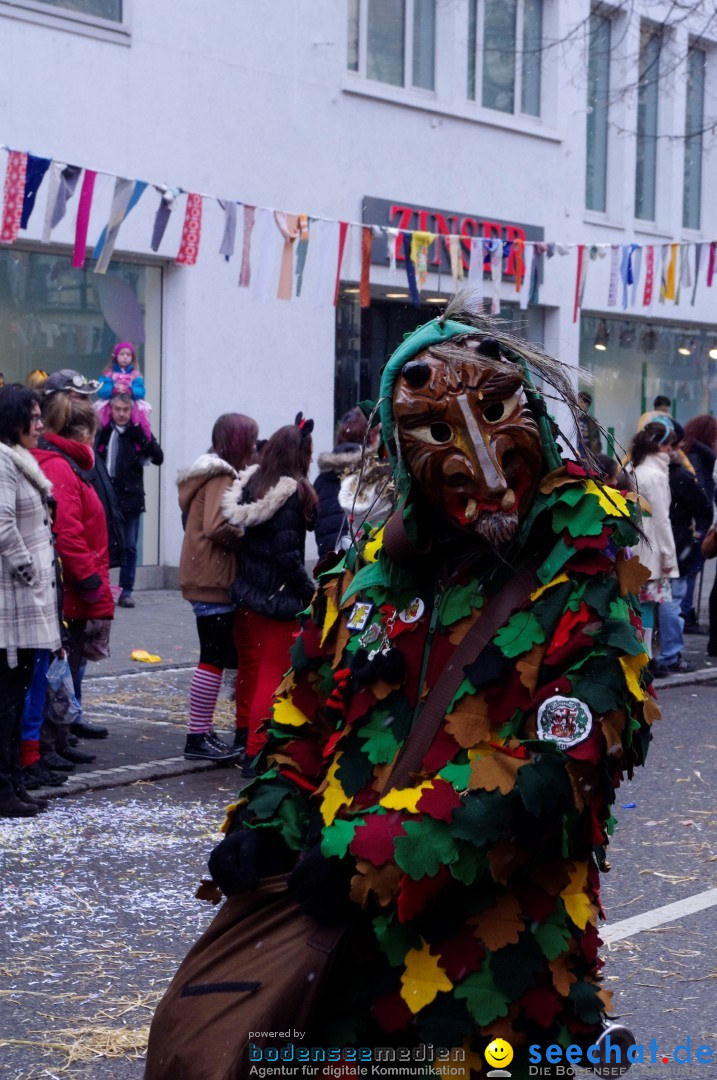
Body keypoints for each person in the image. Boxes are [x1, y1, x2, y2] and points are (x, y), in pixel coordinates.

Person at [152, 308, 656, 1076]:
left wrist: (367, 854)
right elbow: (302, 714)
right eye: (441, 433)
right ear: (396, 448)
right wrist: (268, 819)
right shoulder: (359, 579)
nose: (485, 468)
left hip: (489, 987)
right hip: (345, 974)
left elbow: (559, 767)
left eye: (494, 414)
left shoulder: (581, 580)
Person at [223, 416, 317, 772]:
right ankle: (256, 752)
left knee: (250, 668)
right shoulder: (290, 494)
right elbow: (287, 556)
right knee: (272, 674)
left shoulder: (251, 485)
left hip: (247, 593)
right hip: (277, 599)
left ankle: (244, 732)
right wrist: (310, 592)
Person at [33, 395, 114, 764]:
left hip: (76, 583)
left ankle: (59, 738)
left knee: (68, 663)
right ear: (80, 432)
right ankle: (47, 744)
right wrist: (88, 580)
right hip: (72, 586)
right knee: (59, 667)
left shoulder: (69, 464)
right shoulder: (63, 467)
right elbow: (68, 531)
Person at [178, 413, 258, 763]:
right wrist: (246, 538)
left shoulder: (206, 471)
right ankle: (197, 737)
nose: (254, 448)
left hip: (202, 573)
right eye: (251, 441)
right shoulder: (221, 474)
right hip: (212, 576)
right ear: (238, 442)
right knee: (212, 658)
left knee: (213, 656)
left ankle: (201, 732)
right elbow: (216, 525)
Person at [0, 385, 60, 816]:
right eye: (33, 418)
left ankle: (13, 783)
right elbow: (2, 525)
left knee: (17, 697)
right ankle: (4, 787)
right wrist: (30, 572)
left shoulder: (20, 460)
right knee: (6, 700)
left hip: (27, 599)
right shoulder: (3, 460)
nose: (40, 426)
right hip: (13, 602)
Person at [652, 423, 711, 676]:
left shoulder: (638, 469)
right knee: (670, 600)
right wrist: (695, 538)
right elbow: (704, 509)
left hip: (651, 545)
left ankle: (653, 654)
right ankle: (669, 654)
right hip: (673, 546)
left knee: (652, 603)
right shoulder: (676, 475)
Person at [96, 393, 163, 608]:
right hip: (107, 495)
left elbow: (159, 457)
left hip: (131, 496)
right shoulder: (104, 432)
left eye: (126, 410)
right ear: (111, 410)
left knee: (130, 546)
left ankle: (126, 590)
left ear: (131, 411)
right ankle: (102, 586)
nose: (122, 414)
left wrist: (142, 438)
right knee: (103, 543)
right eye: (118, 410)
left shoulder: (137, 433)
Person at [628, 418, 678, 659]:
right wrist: (669, 555)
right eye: (670, 444)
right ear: (660, 445)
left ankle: (638, 655)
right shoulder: (655, 475)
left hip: (634, 544)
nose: (672, 450)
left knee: (634, 605)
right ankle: (644, 658)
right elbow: (662, 519)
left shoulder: (633, 468)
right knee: (647, 605)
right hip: (651, 548)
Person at [314, 407, 370, 558]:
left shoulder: (321, 480)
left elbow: (313, 522)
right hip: (363, 566)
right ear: (367, 437)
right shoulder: (374, 475)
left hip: (328, 566)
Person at [680, 414, 717, 631]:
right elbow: (701, 490)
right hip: (697, 521)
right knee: (692, 569)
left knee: (690, 569)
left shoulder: (690, 453)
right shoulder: (700, 456)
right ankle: (686, 613)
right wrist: (705, 515)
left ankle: (686, 612)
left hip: (692, 520)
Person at [96, 342, 151, 438]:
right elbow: (101, 389)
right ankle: (102, 439)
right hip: (112, 402)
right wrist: (113, 390)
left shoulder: (136, 375)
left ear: (132, 358)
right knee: (102, 417)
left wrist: (130, 390)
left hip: (130, 402)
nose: (125, 357)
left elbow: (141, 391)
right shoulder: (109, 373)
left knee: (140, 419)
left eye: (128, 355)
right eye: (122, 354)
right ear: (115, 356)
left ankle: (144, 440)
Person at [576, 390, 602, 459]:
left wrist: (596, 457)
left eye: (585, 402)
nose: (582, 404)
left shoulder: (593, 421)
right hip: (576, 451)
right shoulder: (572, 419)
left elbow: (596, 442)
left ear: (588, 405)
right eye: (580, 402)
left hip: (588, 454)